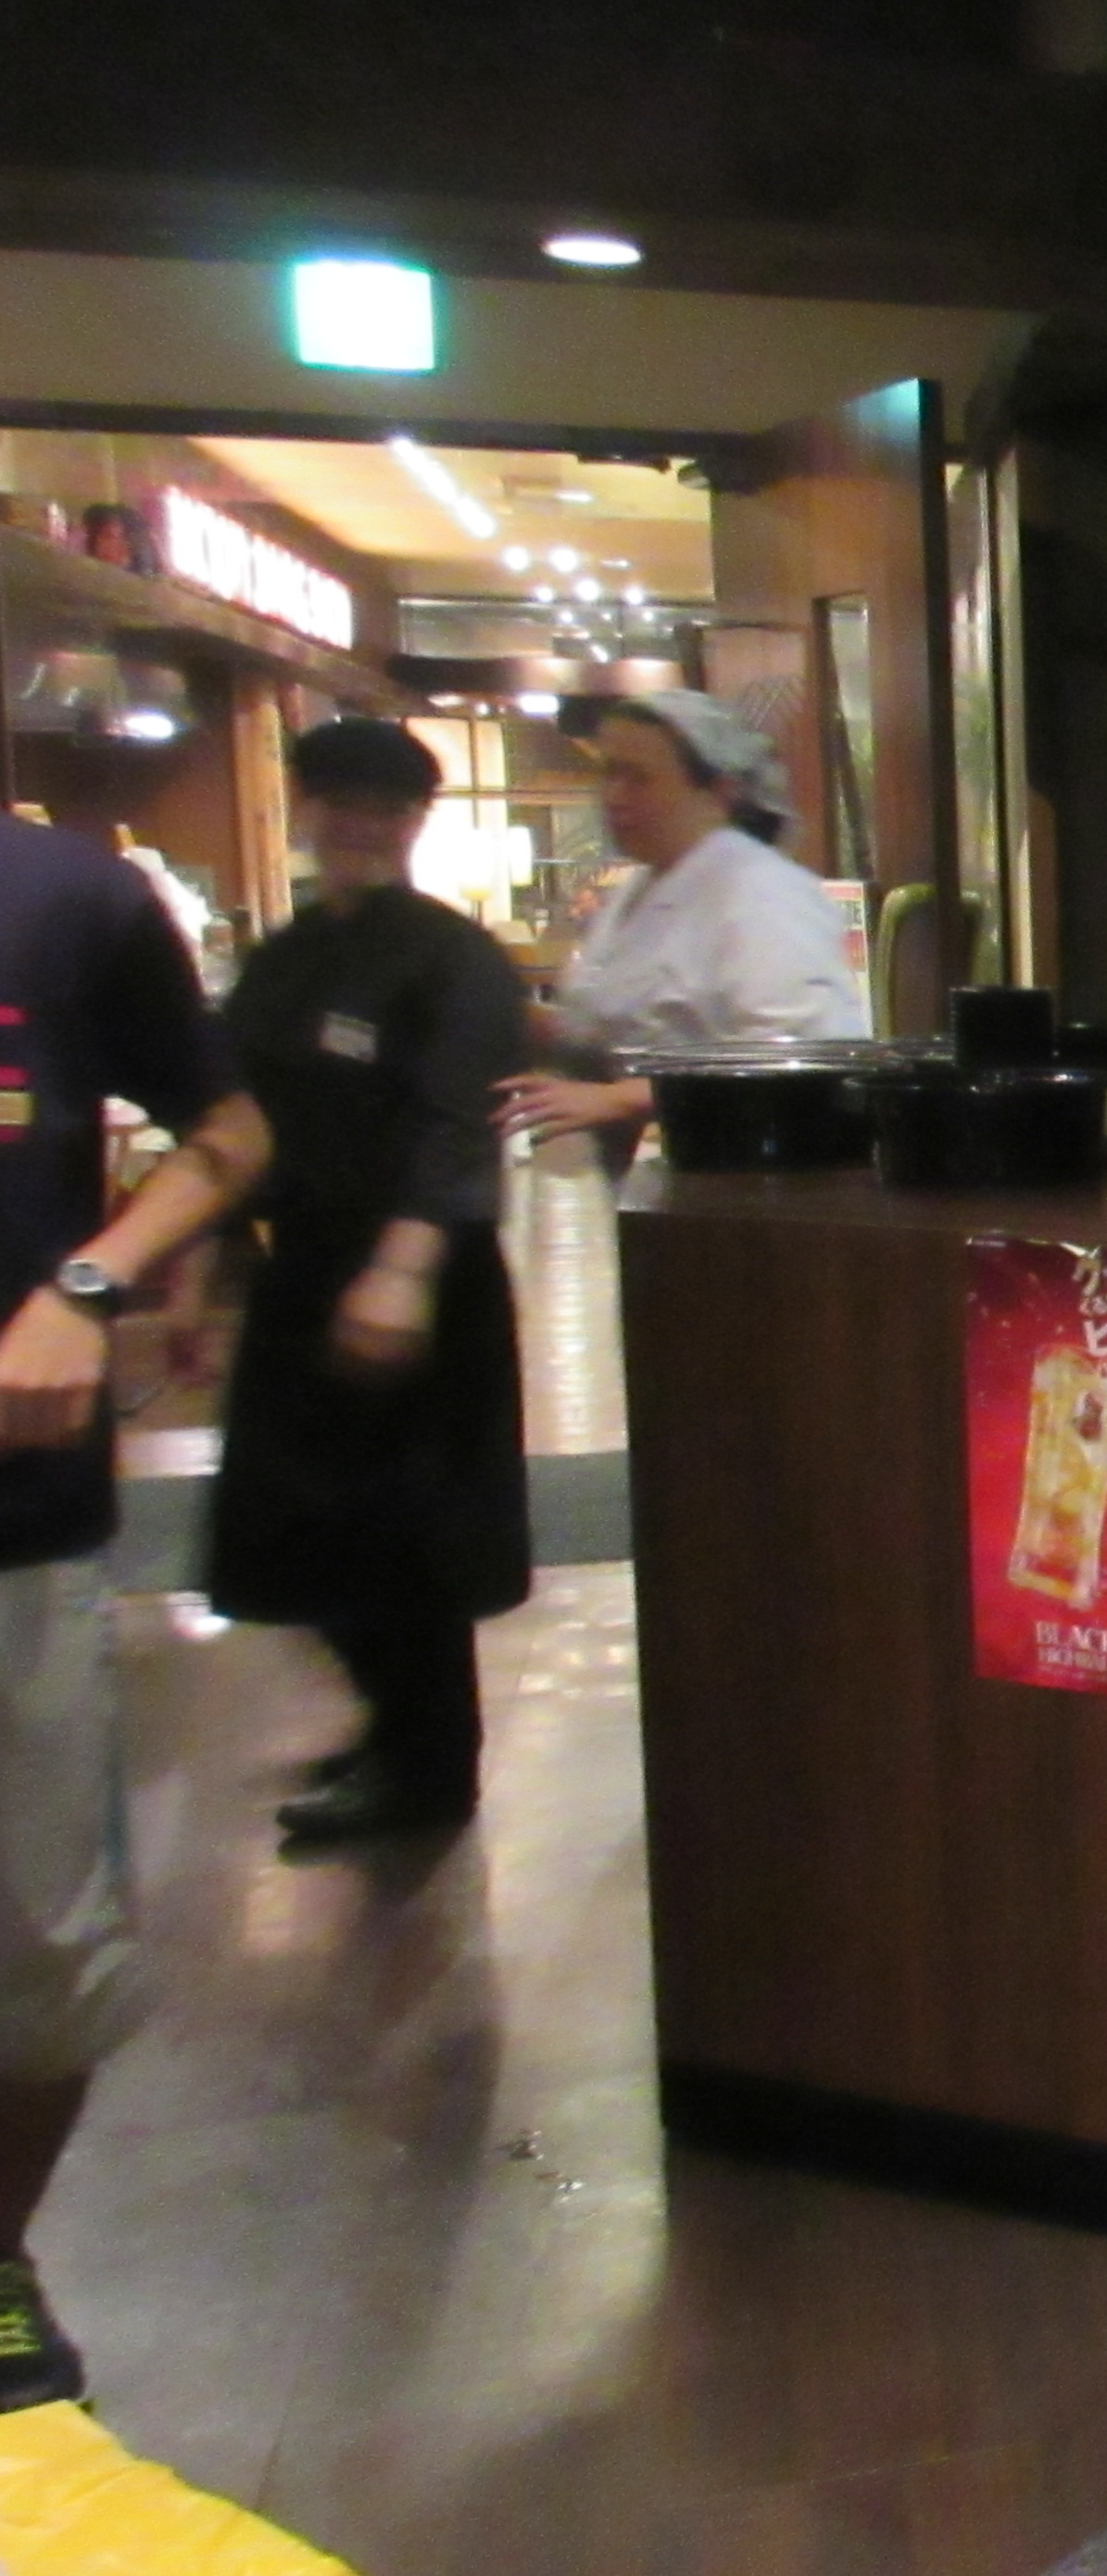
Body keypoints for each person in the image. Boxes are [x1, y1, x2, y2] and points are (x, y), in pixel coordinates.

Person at [0, 810, 257, 2411]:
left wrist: (86, 1287)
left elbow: (228, 1132)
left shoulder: (67, 901)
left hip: (17, 1523)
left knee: (39, 1960)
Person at [208, 719, 535, 1852]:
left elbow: (456, 1124)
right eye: (340, 801)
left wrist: (401, 1270)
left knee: (409, 1534)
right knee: (298, 1523)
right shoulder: (288, 954)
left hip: (421, 1278)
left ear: (413, 824)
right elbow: (234, 1114)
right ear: (304, 806)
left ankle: (428, 1769)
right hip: (301, 1267)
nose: (360, 825)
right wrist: (206, 1273)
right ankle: (392, 1727)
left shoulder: (454, 957)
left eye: (385, 809)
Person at [497, 691, 864, 1145]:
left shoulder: (762, 892)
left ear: (717, 793)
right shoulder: (642, 885)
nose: (614, 796)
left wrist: (620, 1099)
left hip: (749, 1157)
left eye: (638, 778)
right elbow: (605, 1028)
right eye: (608, 773)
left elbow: (796, 1055)